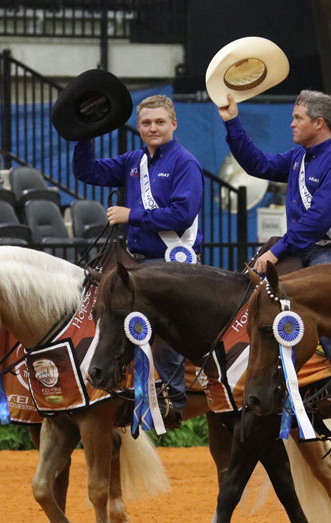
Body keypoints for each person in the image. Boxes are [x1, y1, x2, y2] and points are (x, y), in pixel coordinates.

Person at [218, 89, 331, 408]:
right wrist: (232, 121)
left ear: (319, 123)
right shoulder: (300, 156)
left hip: (328, 251)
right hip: (302, 247)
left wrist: (276, 251)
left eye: (297, 118)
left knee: (324, 305)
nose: (292, 124)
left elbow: (317, 220)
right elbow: (259, 165)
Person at [72, 94, 203, 426]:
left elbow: (183, 215)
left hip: (174, 261)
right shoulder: (134, 160)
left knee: (165, 326)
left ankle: (175, 398)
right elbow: (86, 171)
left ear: (174, 124)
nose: (153, 128)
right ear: (139, 127)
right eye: (146, 123)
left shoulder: (185, 162)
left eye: (160, 122)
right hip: (139, 263)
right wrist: (86, 132)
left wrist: (133, 215)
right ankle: (118, 389)